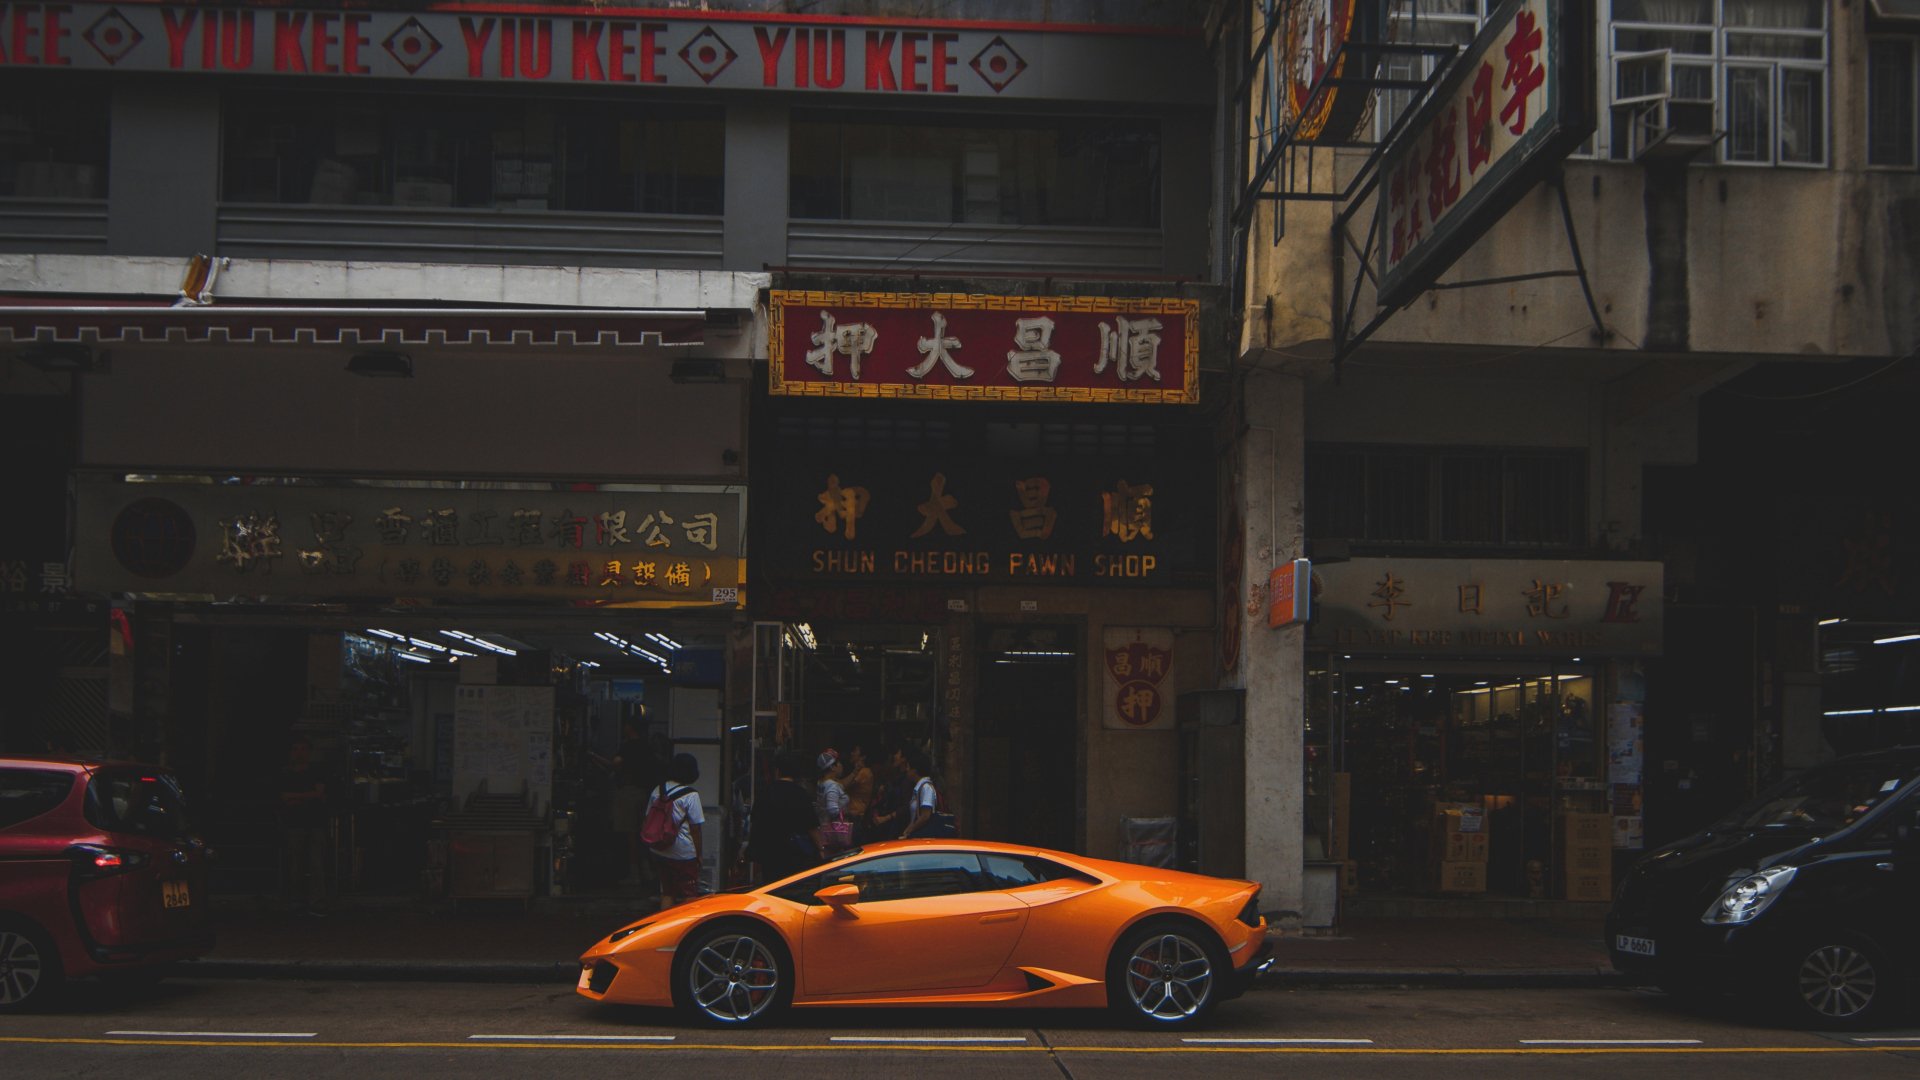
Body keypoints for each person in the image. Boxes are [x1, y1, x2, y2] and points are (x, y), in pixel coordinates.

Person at [748, 751, 823, 884]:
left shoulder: (766, 792)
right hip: (796, 853)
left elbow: (755, 823)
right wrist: (821, 849)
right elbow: (811, 825)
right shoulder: (801, 794)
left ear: (777, 771)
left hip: (770, 853)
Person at [277, 736, 329, 916]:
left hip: (312, 822)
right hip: (298, 822)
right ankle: (299, 901)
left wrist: (296, 797)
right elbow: (286, 797)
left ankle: (311, 902)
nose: (300, 753)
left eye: (303, 749)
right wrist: (311, 795)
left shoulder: (312, 772)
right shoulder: (287, 773)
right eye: (296, 749)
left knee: (314, 863)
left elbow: (316, 794)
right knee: (296, 864)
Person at [646, 753, 705, 909]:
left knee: (667, 892)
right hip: (684, 853)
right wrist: (699, 854)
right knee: (689, 895)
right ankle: (689, 929)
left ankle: (664, 928)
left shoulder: (658, 790)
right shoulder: (691, 795)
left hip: (659, 849)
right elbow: (696, 828)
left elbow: (648, 817)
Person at [897, 746, 940, 840]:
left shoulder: (926, 788)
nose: (907, 770)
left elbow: (925, 815)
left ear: (915, 770)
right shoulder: (918, 789)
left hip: (925, 838)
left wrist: (910, 829)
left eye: (908, 767)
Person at [815, 749, 850, 852]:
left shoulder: (821, 783)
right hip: (835, 833)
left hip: (824, 829)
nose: (841, 766)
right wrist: (847, 812)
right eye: (838, 763)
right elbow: (833, 810)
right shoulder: (831, 786)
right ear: (832, 767)